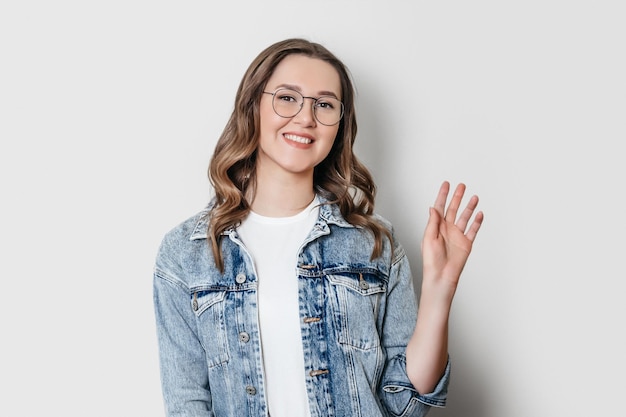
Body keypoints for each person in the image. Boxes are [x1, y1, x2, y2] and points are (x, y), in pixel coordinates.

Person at [153, 37, 484, 417]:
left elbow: (406, 400)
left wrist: (441, 289)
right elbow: (187, 405)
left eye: (324, 104)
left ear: (339, 126)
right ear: (253, 106)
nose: (306, 118)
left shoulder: (373, 243)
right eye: (287, 97)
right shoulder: (187, 252)